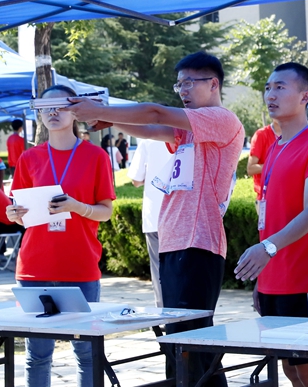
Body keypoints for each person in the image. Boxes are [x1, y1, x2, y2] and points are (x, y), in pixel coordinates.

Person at [66, 51, 243, 387]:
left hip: (198, 242)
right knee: (179, 342)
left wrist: (100, 111)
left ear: (214, 84)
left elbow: (155, 112)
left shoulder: (220, 119)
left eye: (190, 82)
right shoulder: (190, 128)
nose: (183, 90)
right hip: (175, 240)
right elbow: (150, 127)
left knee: (194, 346)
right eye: (179, 85)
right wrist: (111, 121)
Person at [5, 84, 114, 387]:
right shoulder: (29, 158)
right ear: (38, 112)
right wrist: (14, 214)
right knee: (37, 354)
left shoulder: (96, 157)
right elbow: (19, 211)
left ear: (76, 110)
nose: (53, 112)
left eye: (61, 105)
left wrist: (78, 206)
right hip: (34, 268)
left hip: (79, 266)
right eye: (45, 106)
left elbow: (105, 211)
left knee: (87, 352)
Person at [235, 62, 308, 387]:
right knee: (291, 369)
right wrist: (261, 278)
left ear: (305, 96)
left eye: (280, 87)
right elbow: (272, 217)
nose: (270, 95)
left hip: (302, 280)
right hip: (272, 281)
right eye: (268, 87)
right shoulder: (275, 148)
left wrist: (268, 247)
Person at [127, 138, 173, 307]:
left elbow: (136, 180)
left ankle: (163, 312)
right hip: (181, 214)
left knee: (158, 268)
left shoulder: (147, 139)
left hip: (154, 213)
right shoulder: (186, 134)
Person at [247, 121, 280, 207]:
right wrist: (275, 165)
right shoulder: (261, 134)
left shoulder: (295, 134)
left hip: (288, 197)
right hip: (266, 199)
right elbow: (250, 169)